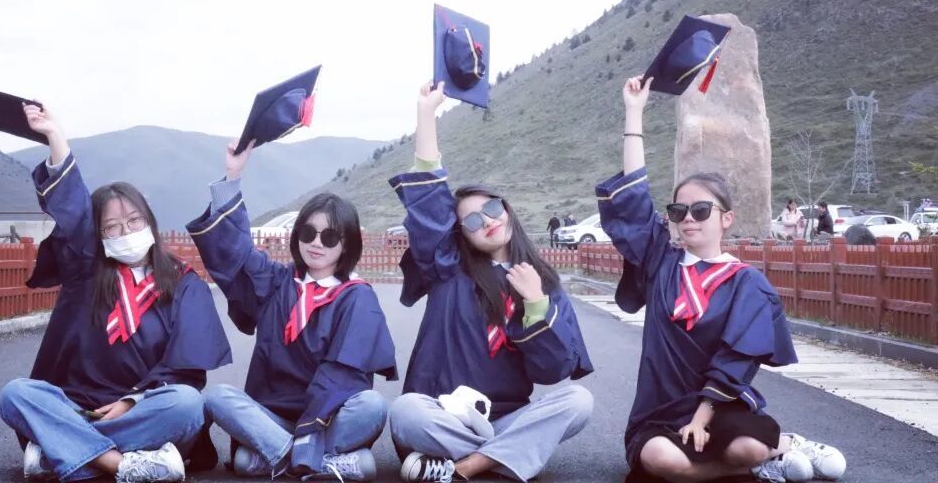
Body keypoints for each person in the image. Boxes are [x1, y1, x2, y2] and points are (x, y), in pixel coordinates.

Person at [597, 76, 846, 483]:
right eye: (678, 211)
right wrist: (634, 113)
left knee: (746, 446)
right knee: (663, 461)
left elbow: (736, 359)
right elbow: (634, 201)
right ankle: (759, 466)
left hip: (720, 404)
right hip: (660, 410)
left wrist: (702, 416)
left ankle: (777, 447)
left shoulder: (747, 283)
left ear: (726, 218)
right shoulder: (661, 263)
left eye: (701, 210)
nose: (688, 219)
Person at [0, 104, 232, 483]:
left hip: (145, 408)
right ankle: (121, 464)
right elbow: (74, 213)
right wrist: (56, 137)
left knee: (187, 404)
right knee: (16, 394)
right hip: (77, 406)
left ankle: (62, 451)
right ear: (99, 234)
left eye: (134, 221)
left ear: (150, 221)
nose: (126, 232)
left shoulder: (184, 282)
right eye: (112, 227)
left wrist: (130, 402)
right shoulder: (86, 270)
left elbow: (185, 368)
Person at [387, 82, 594, 483]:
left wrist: (535, 304)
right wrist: (426, 114)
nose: (487, 221)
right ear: (460, 235)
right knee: (404, 411)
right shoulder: (447, 269)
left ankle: (463, 467)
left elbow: (552, 371)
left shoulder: (544, 284)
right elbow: (429, 203)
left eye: (493, 208)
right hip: (442, 416)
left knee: (578, 402)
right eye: (471, 220)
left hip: (506, 418)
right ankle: (507, 455)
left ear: (508, 210)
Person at [192, 140, 397, 481]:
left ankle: (278, 456)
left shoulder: (357, 297)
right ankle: (311, 460)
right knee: (217, 397)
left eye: (330, 237)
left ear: (347, 244)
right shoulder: (277, 281)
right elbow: (237, 252)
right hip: (272, 417)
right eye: (308, 232)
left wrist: (310, 430)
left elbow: (343, 375)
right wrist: (233, 177)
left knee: (372, 406)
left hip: (328, 419)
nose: (316, 242)